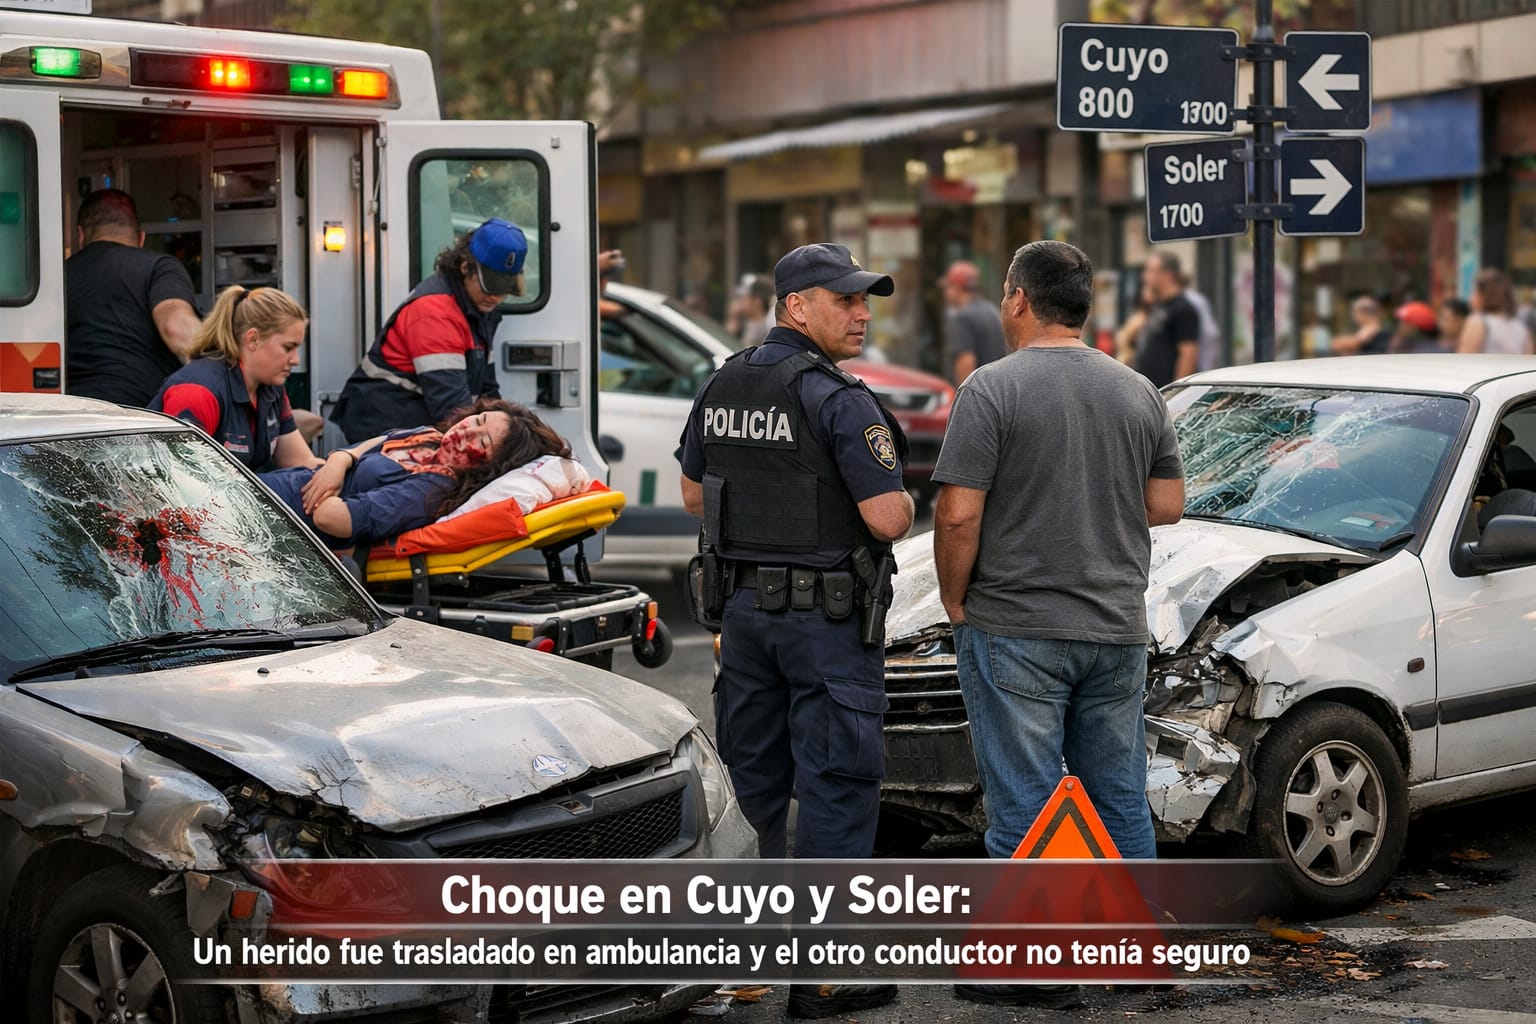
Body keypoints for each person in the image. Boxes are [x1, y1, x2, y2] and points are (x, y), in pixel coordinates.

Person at [931, 240, 1184, 1011]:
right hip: (1114, 628)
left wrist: (953, 599)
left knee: (1025, 800)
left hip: (1017, 628)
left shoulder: (990, 390)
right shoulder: (1139, 390)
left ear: (1016, 299)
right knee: (1117, 796)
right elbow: (1167, 506)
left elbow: (957, 510)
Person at [676, 243, 911, 1021]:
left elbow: (691, 494)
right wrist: (904, 509)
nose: (861, 312)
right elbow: (884, 515)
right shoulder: (836, 398)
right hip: (827, 623)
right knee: (839, 788)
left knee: (752, 789)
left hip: (745, 621)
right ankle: (825, 977)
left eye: (863, 299)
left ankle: (742, 966)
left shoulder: (724, 382)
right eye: (842, 300)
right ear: (795, 307)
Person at [262, 398, 565, 552]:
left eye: (482, 441)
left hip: (273, 521)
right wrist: (338, 463)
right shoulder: (429, 435)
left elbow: (333, 519)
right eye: (479, 419)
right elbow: (367, 445)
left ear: (488, 467)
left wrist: (331, 478)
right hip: (273, 487)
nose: (467, 430)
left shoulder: (433, 489)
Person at [330, 218, 528, 443]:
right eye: (490, 287)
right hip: (385, 429)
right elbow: (451, 406)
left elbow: (487, 389)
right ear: (466, 267)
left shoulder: (477, 308)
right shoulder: (435, 312)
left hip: (414, 426)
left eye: (505, 290)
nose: (496, 297)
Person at [148, 286, 322, 472]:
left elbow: (301, 461)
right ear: (253, 339)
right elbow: (178, 477)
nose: (296, 360)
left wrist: (343, 462)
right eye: (288, 348)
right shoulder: (199, 391)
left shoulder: (270, 387)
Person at [65, 188, 201, 406]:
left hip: (74, 415)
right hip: (141, 416)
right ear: (141, 237)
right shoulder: (159, 267)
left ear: (81, 235)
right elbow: (178, 329)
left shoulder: (59, 276)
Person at [1132, 252, 1201, 386]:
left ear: (1168, 275)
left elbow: (1188, 355)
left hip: (1164, 393)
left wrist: (1177, 395)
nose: (1145, 277)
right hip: (1148, 390)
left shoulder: (1183, 309)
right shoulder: (1156, 305)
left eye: (1150, 271)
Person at [937, 259, 1007, 385]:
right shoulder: (991, 311)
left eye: (948, 287)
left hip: (978, 395)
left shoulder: (963, 317)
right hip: (997, 390)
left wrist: (962, 397)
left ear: (957, 287)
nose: (945, 292)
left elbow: (966, 363)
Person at [1458, 268, 1535, 355]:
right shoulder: (1522, 329)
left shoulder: (1477, 323)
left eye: (1475, 291)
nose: (1471, 297)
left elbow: (1464, 362)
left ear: (1484, 296)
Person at [723, 272, 774, 347]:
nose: (740, 303)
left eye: (744, 298)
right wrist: (733, 318)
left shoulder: (772, 325)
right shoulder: (747, 321)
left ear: (757, 301)